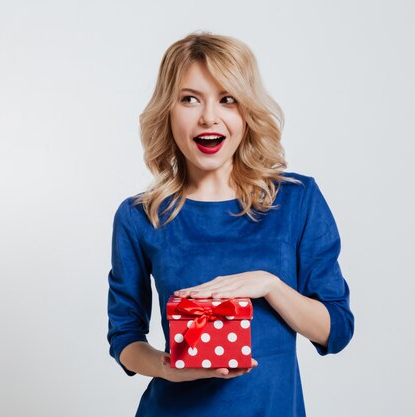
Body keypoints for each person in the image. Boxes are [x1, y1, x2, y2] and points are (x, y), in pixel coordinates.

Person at [106, 32, 354, 417]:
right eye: (190, 99)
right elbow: (125, 338)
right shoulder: (140, 216)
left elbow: (335, 330)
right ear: (168, 111)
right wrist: (169, 368)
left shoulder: (296, 200)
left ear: (246, 112)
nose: (209, 116)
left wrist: (269, 285)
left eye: (227, 99)